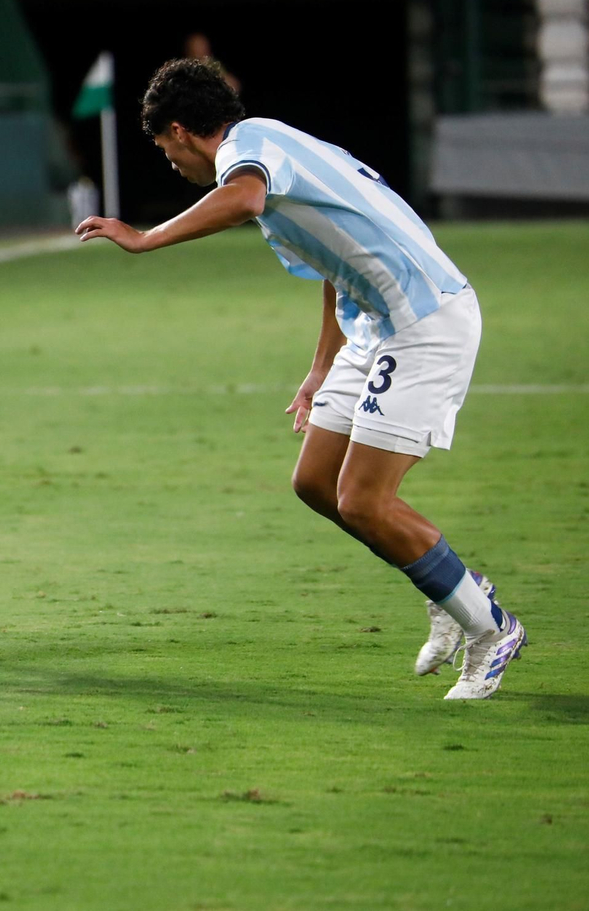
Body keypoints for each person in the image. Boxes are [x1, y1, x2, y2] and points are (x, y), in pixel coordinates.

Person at [75, 58, 525, 700]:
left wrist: (146, 239)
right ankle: (454, 587)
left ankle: (491, 628)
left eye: (165, 150)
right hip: (373, 325)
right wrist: (320, 368)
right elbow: (334, 265)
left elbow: (244, 197)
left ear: (180, 130)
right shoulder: (276, 147)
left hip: (426, 320)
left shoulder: (250, 149)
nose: (170, 165)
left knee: (365, 500)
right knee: (315, 482)